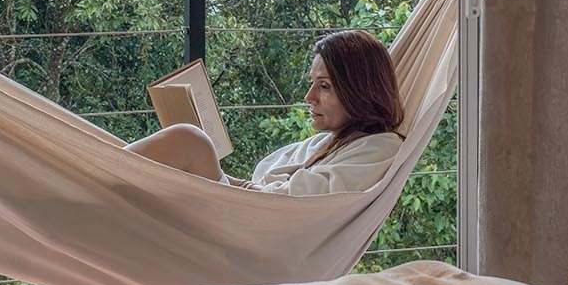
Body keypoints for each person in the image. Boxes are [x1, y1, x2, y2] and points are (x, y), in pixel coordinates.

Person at [127, 28, 404, 194]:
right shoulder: (326, 142)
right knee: (188, 146)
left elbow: (290, 203)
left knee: (190, 140)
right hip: (244, 215)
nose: (309, 97)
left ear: (360, 90)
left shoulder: (379, 148)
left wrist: (216, 179)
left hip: (248, 234)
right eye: (312, 84)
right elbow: (261, 189)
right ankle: (100, 175)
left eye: (324, 86)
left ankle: (99, 176)